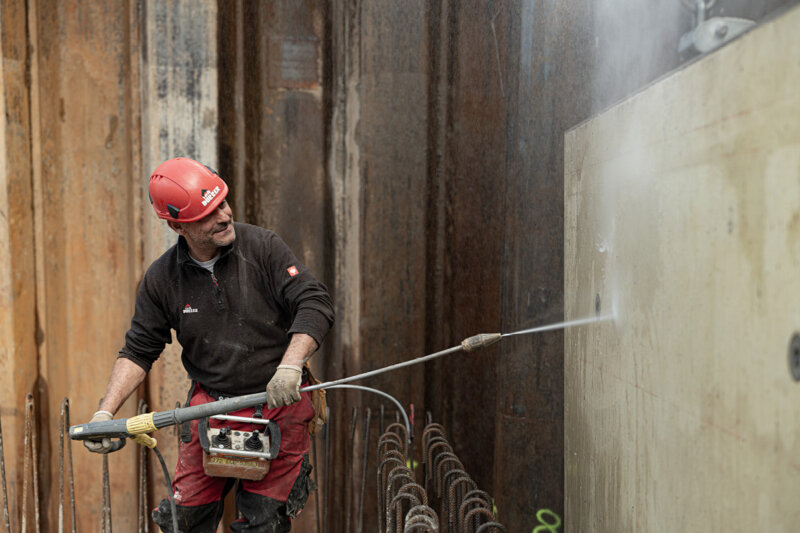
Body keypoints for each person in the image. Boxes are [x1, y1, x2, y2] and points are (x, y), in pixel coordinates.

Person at [82, 157, 334, 532]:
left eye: (222, 203)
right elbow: (138, 350)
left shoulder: (264, 248)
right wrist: (105, 414)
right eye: (207, 214)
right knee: (185, 521)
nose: (224, 216)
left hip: (278, 400)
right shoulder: (162, 278)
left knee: (263, 523)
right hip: (211, 406)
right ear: (177, 225)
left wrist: (290, 366)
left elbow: (315, 302)